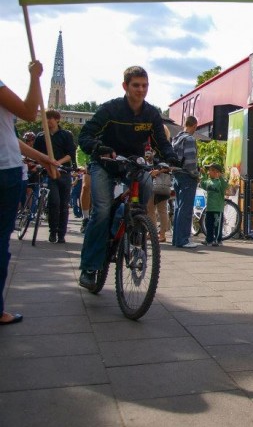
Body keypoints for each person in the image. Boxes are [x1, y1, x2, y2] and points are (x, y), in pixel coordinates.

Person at [77, 66, 177, 291]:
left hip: (131, 164)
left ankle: (133, 229)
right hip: (105, 163)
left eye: (145, 85)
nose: (141, 90)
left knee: (145, 187)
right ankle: (89, 268)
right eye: (136, 85)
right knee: (102, 210)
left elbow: (161, 142)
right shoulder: (110, 109)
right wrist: (99, 147)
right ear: (125, 86)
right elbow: (85, 135)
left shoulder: (151, 114)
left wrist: (170, 157)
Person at [1, 60, 58, 324]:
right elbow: (28, 112)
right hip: (5, 170)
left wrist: (42, 158)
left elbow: (8, 136)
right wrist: (35, 77)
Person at [32, 109, 76, 243]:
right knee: (54, 202)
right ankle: (53, 231)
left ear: (57, 119)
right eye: (46, 118)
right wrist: (43, 164)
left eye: (50, 118)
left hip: (64, 172)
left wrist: (58, 162)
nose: (48, 121)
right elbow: (36, 154)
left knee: (64, 205)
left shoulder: (66, 135)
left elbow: (70, 154)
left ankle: (61, 234)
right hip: (49, 173)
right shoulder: (41, 137)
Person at [171, 115, 199, 248]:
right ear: (194, 125)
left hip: (177, 175)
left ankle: (176, 239)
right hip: (187, 176)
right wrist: (196, 175)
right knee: (186, 209)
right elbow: (190, 161)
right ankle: (183, 240)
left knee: (178, 208)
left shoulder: (176, 139)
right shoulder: (189, 139)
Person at [199, 163, 227, 246]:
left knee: (217, 225)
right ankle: (209, 240)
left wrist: (220, 177)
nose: (208, 172)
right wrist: (203, 174)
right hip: (209, 208)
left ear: (216, 172)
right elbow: (203, 184)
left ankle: (218, 240)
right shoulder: (208, 181)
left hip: (218, 209)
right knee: (209, 225)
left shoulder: (220, 182)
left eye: (210, 170)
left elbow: (225, 186)